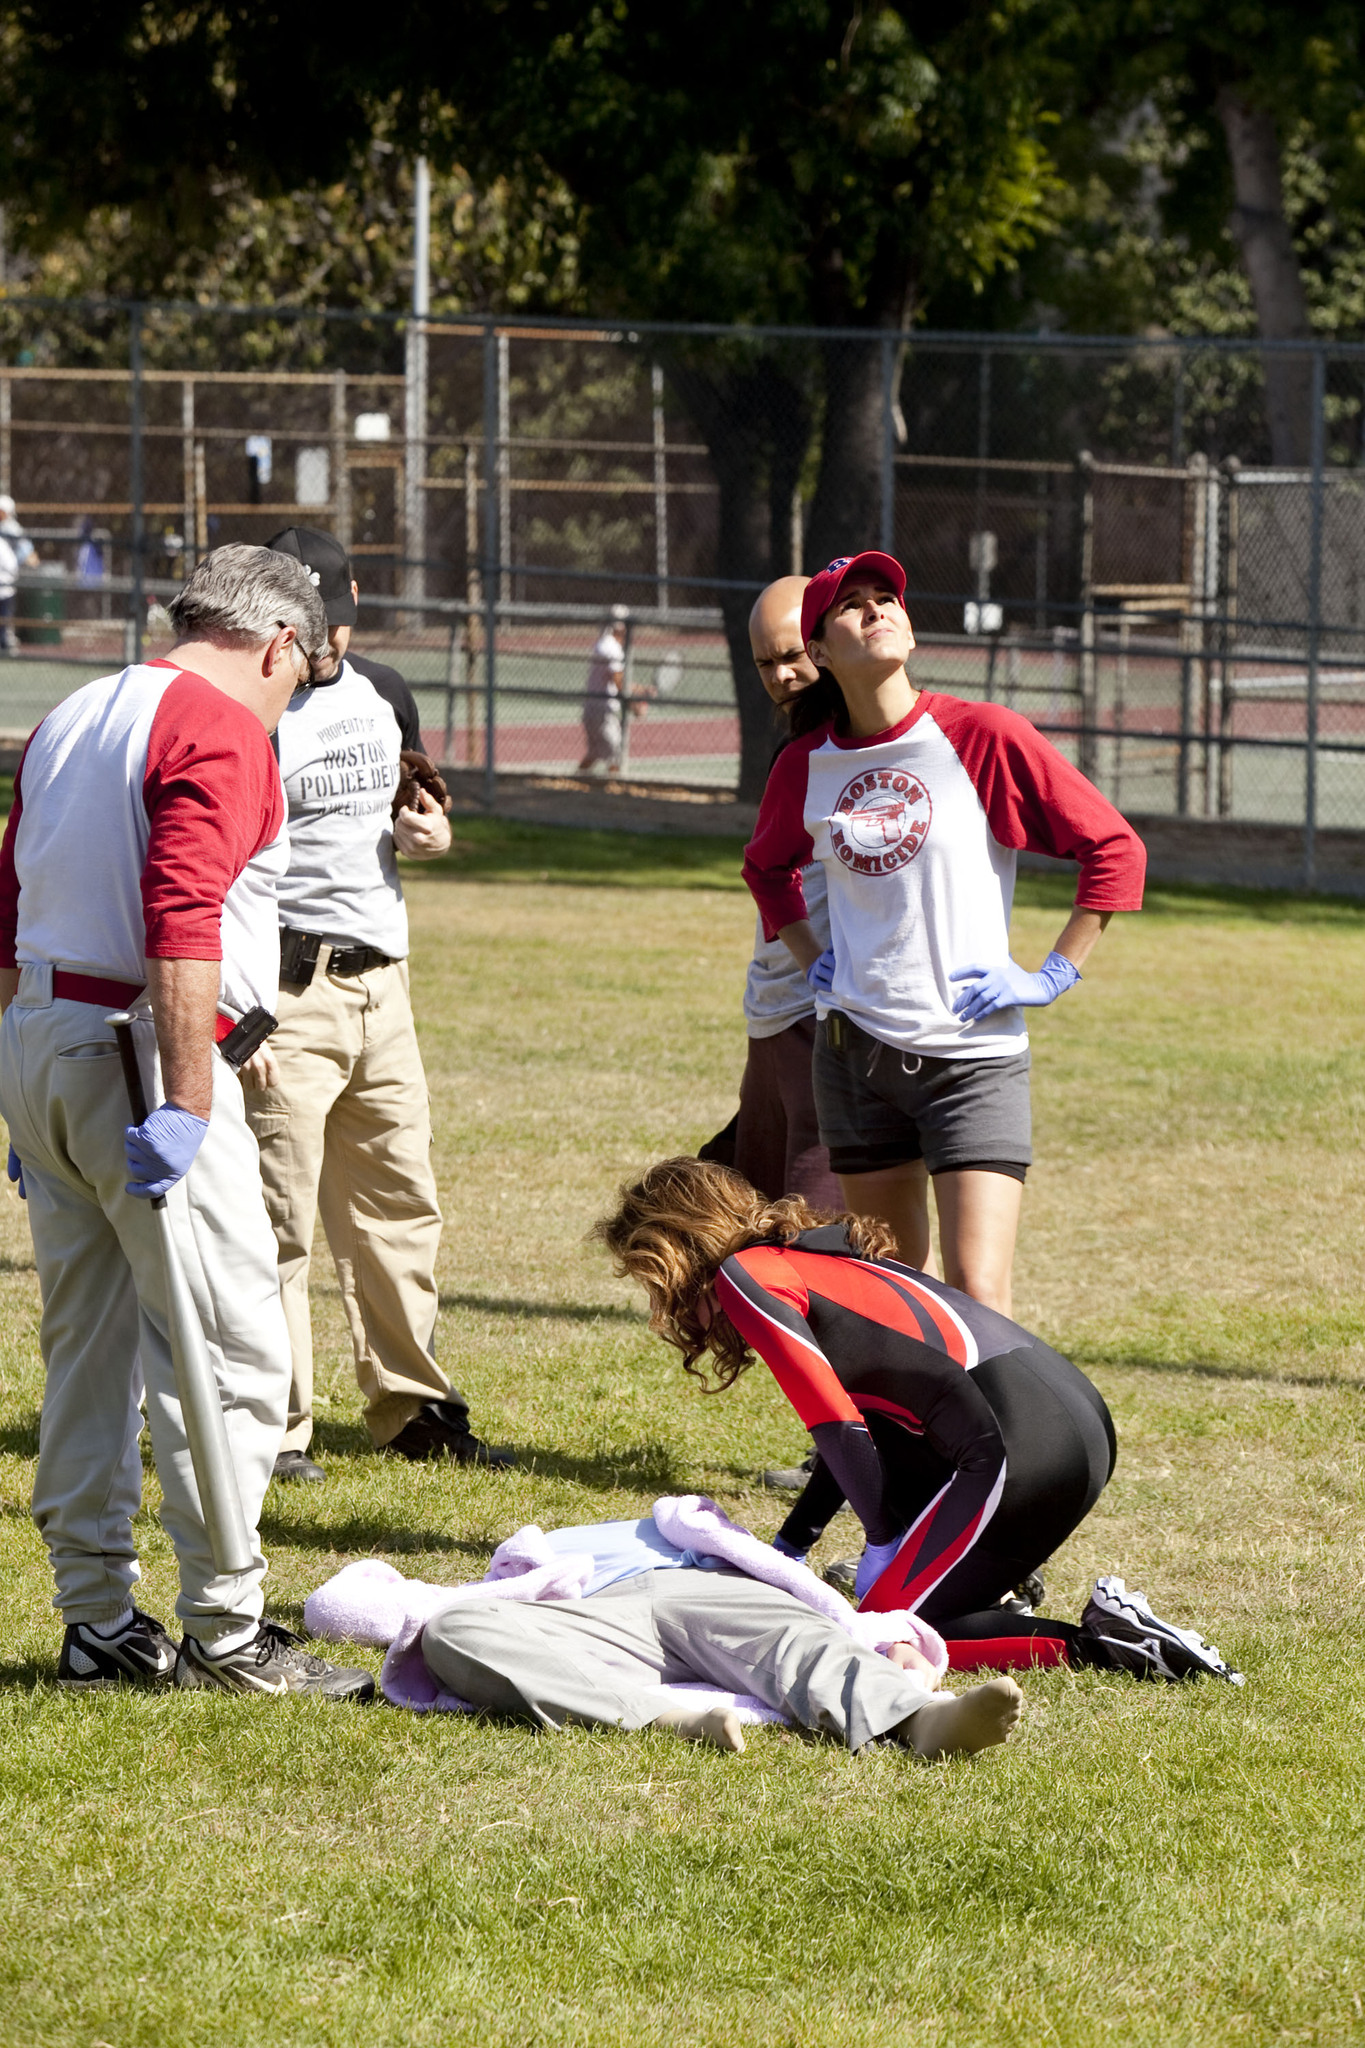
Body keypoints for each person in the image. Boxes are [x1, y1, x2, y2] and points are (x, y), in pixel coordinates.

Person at [0, 544, 373, 1698]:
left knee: (90, 1349)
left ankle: (99, 1618)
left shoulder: (75, 709)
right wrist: (191, 1094)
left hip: (44, 1031)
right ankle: (227, 1626)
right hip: (138, 1056)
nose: (290, 696)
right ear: (276, 645)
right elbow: (182, 909)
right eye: (296, 675)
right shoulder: (219, 724)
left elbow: (10, 889)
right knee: (230, 1354)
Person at [593, 1158, 1242, 1685]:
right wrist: (792, 1547)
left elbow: (835, 1424)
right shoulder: (810, 1258)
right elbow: (867, 1431)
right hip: (1070, 1425)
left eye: (650, 1280)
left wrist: (879, 1541)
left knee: (874, 1633)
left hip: (1015, 1447)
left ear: (674, 1251)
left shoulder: (743, 1278)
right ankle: (1023, 1612)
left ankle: (1106, 1643)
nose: (660, 1305)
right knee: (918, 1611)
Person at [742, 550, 1146, 1316]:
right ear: (821, 652)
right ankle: (900, 1438)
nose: (876, 609)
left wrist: (1052, 973)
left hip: (973, 1059)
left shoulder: (983, 734)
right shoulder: (806, 765)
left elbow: (1114, 847)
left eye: (885, 596)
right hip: (855, 1055)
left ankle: (994, 1440)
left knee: (978, 1289)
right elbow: (765, 869)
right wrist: (813, 958)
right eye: (849, 605)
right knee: (888, 1289)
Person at [244, 525, 512, 1484]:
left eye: (340, 625)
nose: (328, 648)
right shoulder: (251, 710)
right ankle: (272, 1430)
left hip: (383, 986)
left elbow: (415, 791)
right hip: (289, 987)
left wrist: (430, 827)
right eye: (309, 630)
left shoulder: (382, 689)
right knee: (276, 1221)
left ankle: (411, 1410)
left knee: (400, 1204)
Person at [418, 1515, 1024, 1760]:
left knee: (790, 1639)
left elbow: (817, 1604)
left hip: (701, 1586)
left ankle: (921, 1722)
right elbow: (347, 1607)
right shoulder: (534, 1553)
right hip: (585, 1610)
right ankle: (668, 1720)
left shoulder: (677, 1527)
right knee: (452, 1629)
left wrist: (891, 1642)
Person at [578, 604, 630, 774]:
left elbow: (614, 678)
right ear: (620, 626)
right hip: (602, 712)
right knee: (616, 757)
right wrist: (635, 703)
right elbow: (618, 682)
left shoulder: (604, 644)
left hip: (592, 710)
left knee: (594, 754)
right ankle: (615, 792)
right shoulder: (612, 648)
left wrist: (639, 690)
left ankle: (574, 780)